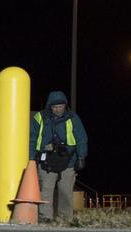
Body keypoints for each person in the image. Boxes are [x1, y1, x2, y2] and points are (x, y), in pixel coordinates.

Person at [31, 90, 88, 222]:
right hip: (46, 161)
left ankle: (65, 219)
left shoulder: (73, 118)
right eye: (54, 107)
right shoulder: (39, 118)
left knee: (66, 192)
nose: (57, 109)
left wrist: (81, 157)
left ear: (65, 105)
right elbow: (32, 138)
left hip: (68, 161)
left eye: (60, 106)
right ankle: (45, 218)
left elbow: (81, 138)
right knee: (46, 190)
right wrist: (31, 158)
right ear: (49, 106)